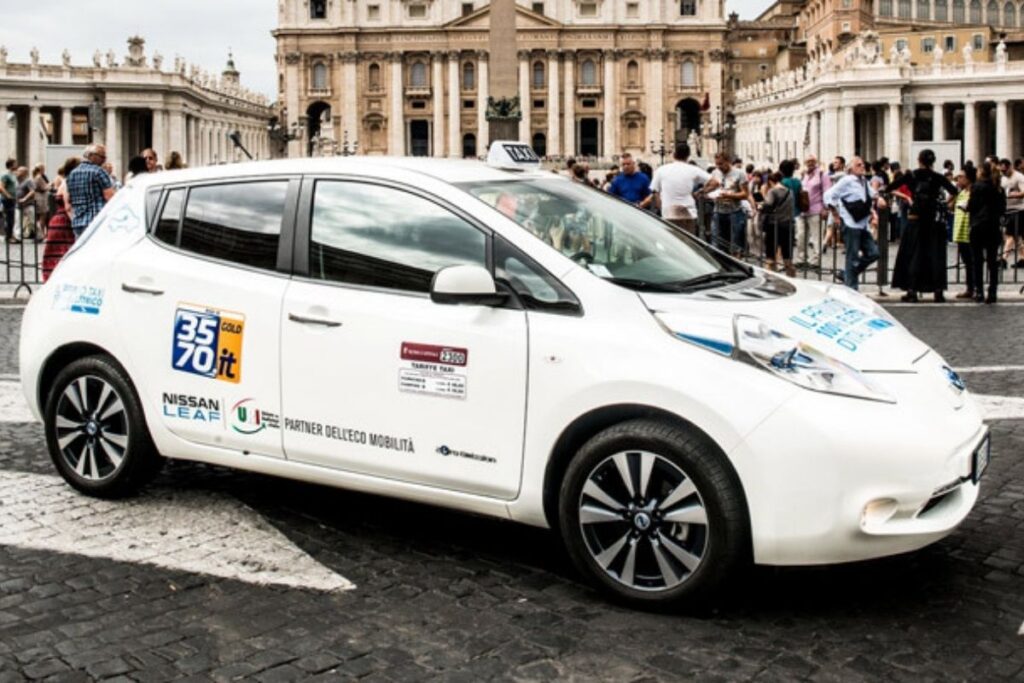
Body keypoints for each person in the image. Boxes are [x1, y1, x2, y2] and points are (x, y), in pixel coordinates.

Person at [889, 149, 957, 303]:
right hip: (933, 219)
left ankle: (912, 290)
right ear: (933, 161)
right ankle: (938, 291)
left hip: (916, 218)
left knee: (913, 255)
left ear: (919, 160)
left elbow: (890, 187)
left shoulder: (911, 175)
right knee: (935, 255)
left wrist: (907, 197)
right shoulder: (937, 177)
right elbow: (954, 190)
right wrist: (946, 203)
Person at [823, 157, 878, 291]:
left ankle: (847, 274)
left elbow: (871, 195)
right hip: (851, 223)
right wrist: (835, 213)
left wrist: (879, 200)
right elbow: (829, 195)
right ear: (851, 168)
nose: (862, 167)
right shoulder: (846, 180)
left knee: (874, 253)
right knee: (852, 256)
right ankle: (851, 288)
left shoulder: (864, 181)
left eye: (863, 165)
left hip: (862, 223)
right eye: (858, 165)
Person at [649, 142, 710, 236]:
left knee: (671, 243)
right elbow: (715, 182)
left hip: (668, 213)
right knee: (689, 243)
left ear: (674, 154)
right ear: (688, 155)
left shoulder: (662, 169)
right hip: (689, 213)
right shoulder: (693, 169)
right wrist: (701, 191)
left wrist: (661, 206)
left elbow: (654, 191)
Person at [968, 162, 1005, 304]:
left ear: (982, 172)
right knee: (992, 261)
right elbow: (1002, 209)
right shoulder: (998, 188)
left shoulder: (977, 186)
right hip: (993, 227)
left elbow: (972, 206)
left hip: (978, 225)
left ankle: (979, 291)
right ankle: (993, 291)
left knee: (977, 261)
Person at [41, 157, 80, 282]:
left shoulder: (64, 181)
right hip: (64, 222)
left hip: (57, 220)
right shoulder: (69, 182)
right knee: (65, 252)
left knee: (55, 253)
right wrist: (75, 223)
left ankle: (52, 280)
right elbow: (68, 206)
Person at [66, 144, 115, 238]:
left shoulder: (72, 174)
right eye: (102, 156)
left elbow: (69, 200)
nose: (104, 160)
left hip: (78, 222)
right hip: (96, 222)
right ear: (92, 155)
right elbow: (110, 198)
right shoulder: (99, 172)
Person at [706, 152, 750, 257]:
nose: (719, 167)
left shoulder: (739, 173)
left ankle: (736, 266)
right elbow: (710, 188)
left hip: (734, 212)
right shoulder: (715, 173)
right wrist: (705, 193)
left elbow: (745, 194)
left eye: (721, 164)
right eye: (717, 164)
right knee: (717, 243)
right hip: (718, 211)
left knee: (735, 244)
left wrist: (730, 196)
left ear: (728, 161)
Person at [759, 172, 796, 277]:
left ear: (770, 181)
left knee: (770, 257)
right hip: (788, 226)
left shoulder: (773, 191)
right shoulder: (790, 192)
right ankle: (793, 279)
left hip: (773, 226)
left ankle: (769, 280)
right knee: (787, 258)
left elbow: (768, 205)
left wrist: (761, 206)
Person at [798, 155, 830, 267]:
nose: (810, 163)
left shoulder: (822, 174)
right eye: (808, 161)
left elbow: (827, 192)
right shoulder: (803, 175)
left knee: (816, 237)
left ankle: (815, 261)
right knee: (801, 235)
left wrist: (825, 208)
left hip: (816, 209)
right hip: (802, 210)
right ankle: (801, 259)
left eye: (812, 161)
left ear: (816, 162)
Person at [952, 168, 974, 299]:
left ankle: (973, 287)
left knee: (972, 262)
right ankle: (969, 287)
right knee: (966, 261)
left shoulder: (973, 192)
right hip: (960, 231)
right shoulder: (960, 192)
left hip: (969, 231)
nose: (958, 179)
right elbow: (950, 205)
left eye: (961, 176)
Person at [998, 158, 1024, 268]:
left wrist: (1010, 195)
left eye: (1005, 170)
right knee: (1018, 237)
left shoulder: (1019, 177)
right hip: (1007, 210)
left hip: (1019, 210)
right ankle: (1023, 258)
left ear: (1010, 167)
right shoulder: (1002, 178)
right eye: (1001, 171)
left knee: (1010, 235)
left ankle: (1003, 259)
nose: (1003, 172)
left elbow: (1023, 192)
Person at [15, 167, 36, 241]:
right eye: (17, 171)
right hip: (18, 205)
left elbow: (32, 191)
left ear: (25, 173)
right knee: (18, 221)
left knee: (33, 221)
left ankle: (39, 236)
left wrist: (25, 198)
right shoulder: (16, 181)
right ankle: (18, 237)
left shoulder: (29, 181)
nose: (17, 172)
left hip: (28, 204)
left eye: (19, 171)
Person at [1, 159, 18, 243]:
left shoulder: (13, 174)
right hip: (7, 199)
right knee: (9, 218)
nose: (16, 165)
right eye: (15, 164)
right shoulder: (6, 175)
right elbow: (1, 187)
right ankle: (8, 237)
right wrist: (7, 195)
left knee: (12, 218)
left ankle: (11, 234)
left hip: (13, 199)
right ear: (11, 165)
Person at [31, 164, 50, 237]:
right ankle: (42, 233)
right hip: (41, 198)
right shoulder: (39, 177)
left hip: (39, 197)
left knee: (41, 216)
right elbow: (44, 188)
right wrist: (49, 186)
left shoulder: (36, 176)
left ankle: (41, 232)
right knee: (42, 216)